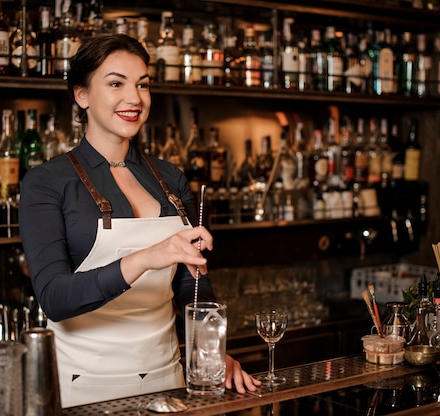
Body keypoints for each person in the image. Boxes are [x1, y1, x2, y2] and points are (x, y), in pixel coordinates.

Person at [19, 33, 260, 408]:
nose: (134, 98)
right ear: (81, 95)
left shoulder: (170, 178)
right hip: (84, 387)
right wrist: (146, 257)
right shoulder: (47, 182)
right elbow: (54, 298)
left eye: (143, 85)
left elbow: (191, 284)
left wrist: (210, 351)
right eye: (116, 83)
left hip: (170, 380)